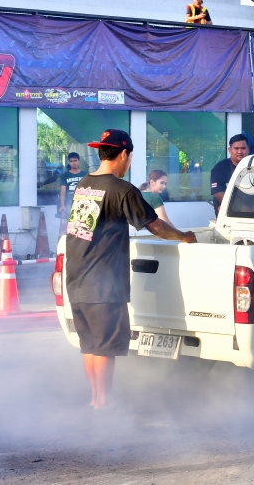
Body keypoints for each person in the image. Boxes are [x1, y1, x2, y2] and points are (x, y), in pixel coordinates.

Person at [66, 129, 197, 410]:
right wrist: (184, 236)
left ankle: (95, 400)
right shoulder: (122, 189)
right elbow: (156, 226)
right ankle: (104, 404)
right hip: (102, 283)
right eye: (130, 157)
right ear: (124, 154)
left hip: (76, 279)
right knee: (103, 348)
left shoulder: (84, 184)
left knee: (89, 345)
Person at [210, 135, 251, 215]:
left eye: (243, 148)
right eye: (236, 148)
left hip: (253, 211)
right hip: (228, 213)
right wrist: (238, 207)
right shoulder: (220, 167)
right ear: (230, 150)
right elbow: (218, 192)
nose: (240, 152)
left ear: (248, 149)